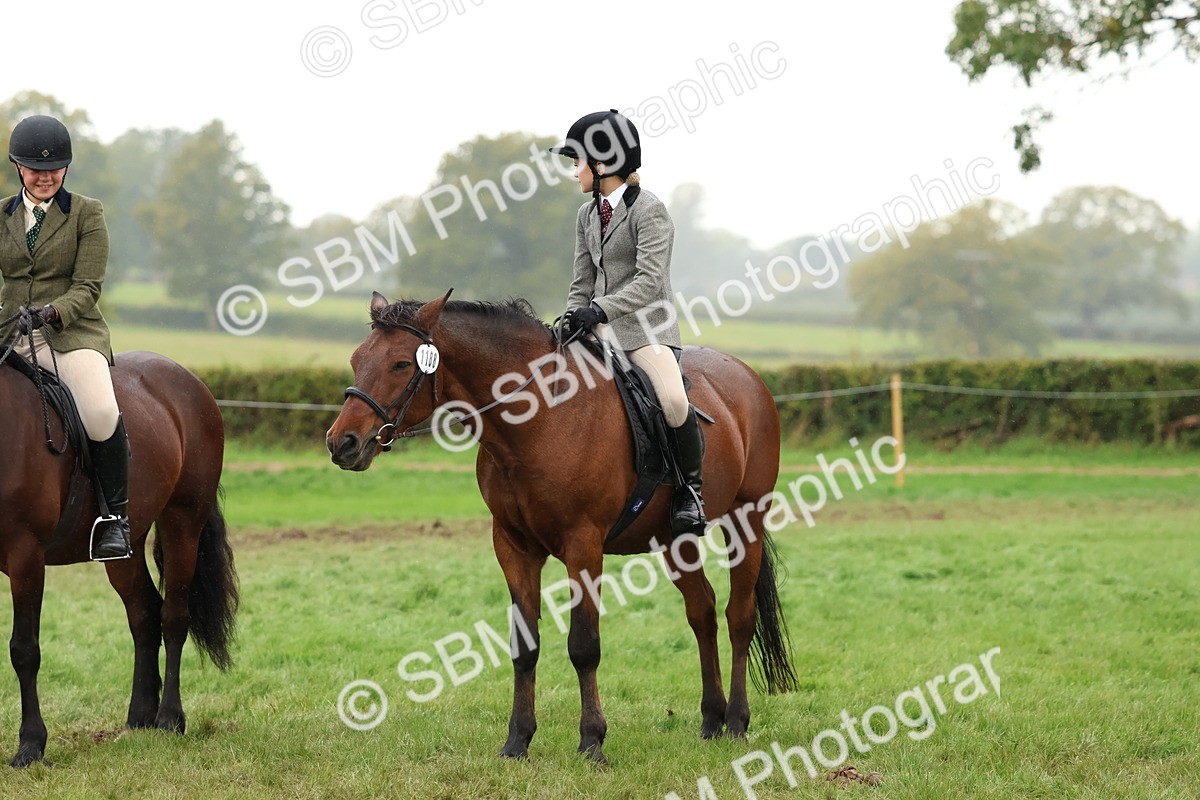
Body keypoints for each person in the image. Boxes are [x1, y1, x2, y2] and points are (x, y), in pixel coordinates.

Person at [551, 109, 705, 535]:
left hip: (644, 331)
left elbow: (649, 281)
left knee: (673, 400)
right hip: (597, 331)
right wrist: (572, 316)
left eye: (578, 162)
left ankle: (690, 493)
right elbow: (582, 281)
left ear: (602, 165)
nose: (575, 171)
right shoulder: (586, 216)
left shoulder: (650, 211)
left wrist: (600, 310)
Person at [1, 114, 131, 560]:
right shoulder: (1, 214)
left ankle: (115, 519)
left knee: (100, 412)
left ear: (67, 168)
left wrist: (52, 312)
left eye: (54, 169)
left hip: (69, 334)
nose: (45, 177)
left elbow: (88, 286)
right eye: (35, 169)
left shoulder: (86, 213)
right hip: (10, 333)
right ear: (18, 167)